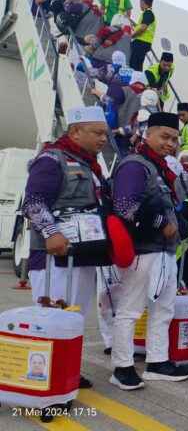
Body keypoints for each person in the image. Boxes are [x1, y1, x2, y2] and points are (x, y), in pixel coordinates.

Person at [22, 106, 111, 389]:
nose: (103, 140)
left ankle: (65, 370)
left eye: (106, 134)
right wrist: (51, 232)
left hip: (81, 256)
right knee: (51, 318)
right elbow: (34, 202)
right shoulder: (52, 159)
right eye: (97, 133)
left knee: (74, 319)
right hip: (54, 258)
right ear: (75, 131)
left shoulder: (91, 166)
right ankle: (42, 379)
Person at [110, 112, 188, 390]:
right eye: (165, 137)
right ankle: (121, 367)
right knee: (130, 310)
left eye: (175, 139)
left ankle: (157, 362)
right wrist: (161, 224)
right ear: (148, 133)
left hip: (165, 253)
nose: (171, 143)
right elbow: (124, 206)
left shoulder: (159, 168)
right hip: (143, 251)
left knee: (164, 309)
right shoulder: (135, 165)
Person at [130, 0, 155, 71]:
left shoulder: (147, 13)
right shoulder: (149, 13)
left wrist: (131, 36)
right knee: (136, 65)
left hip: (141, 43)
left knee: (135, 67)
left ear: (142, 1)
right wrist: (134, 24)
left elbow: (143, 28)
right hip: (144, 43)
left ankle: (136, 81)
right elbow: (143, 27)